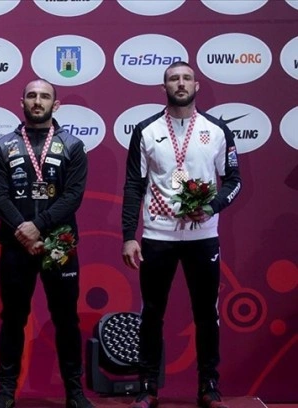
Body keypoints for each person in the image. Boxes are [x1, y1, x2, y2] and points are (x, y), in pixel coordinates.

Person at [121, 61, 241, 408]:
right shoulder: (146, 130)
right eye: (174, 79)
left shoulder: (216, 130)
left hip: (203, 236)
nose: (181, 83)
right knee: (151, 312)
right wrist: (129, 235)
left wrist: (212, 207)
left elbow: (234, 180)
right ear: (164, 87)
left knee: (206, 313)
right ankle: (147, 387)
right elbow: (133, 186)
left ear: (196, 85)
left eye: (187, 78)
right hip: (158, 236)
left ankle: (209, 386)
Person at [0, 79, 94, 408]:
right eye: (32, 96)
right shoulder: (3, 145)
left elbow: (73, 196)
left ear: (55, 105)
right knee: (13, 318)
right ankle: (6, 391)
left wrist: (38, 226)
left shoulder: (73, 145)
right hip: (16, 245)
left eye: (44, 96)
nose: (38, 101)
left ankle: (74, 392)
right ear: (21, 102)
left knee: (66, 320)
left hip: (59, 246)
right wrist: (24, 231)